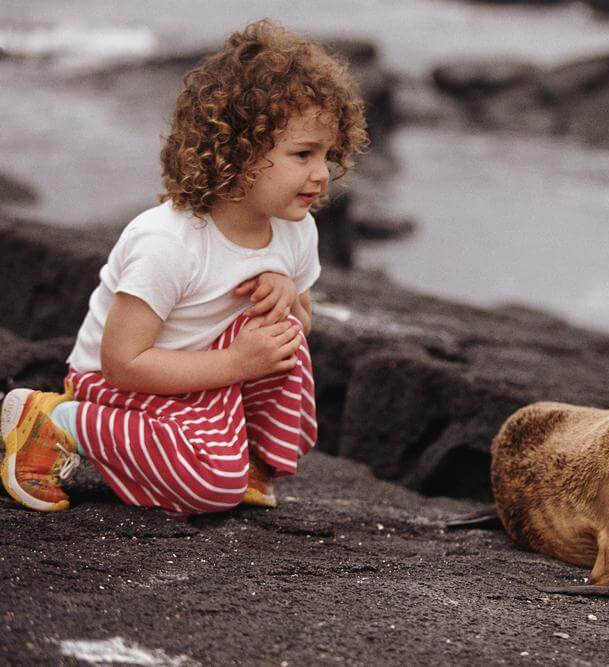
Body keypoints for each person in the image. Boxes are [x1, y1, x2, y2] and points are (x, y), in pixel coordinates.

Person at [0, 19, 368, 514]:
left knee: (284, 340)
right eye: (302, 154)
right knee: (210, 487)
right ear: (236, 152)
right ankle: (56, 422)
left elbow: (299, 327)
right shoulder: (169, 242)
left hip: (204, 377)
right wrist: (236, 364)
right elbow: (122, 364)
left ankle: (247, 457)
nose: (322, 175)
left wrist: (285, 293)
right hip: (119, 385)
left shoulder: (295, 229)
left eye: (328, 155)